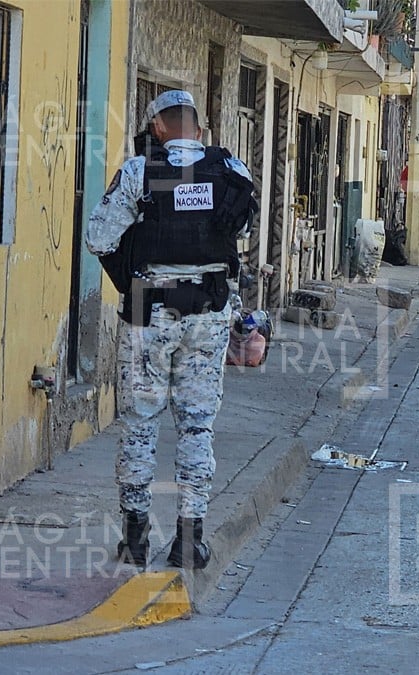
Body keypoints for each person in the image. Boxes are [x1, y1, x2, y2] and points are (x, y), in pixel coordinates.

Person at [86, 90, 258, 570]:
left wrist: (133, 269)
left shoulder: (139, 172)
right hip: (209, 312)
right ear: (199, 131)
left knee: (140, 423)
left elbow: (98, 238)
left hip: (149, 307)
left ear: (157, 128)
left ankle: (135, 540)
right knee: (197, 424)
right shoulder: (232, 172)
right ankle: (189, 541)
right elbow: (237, 242)